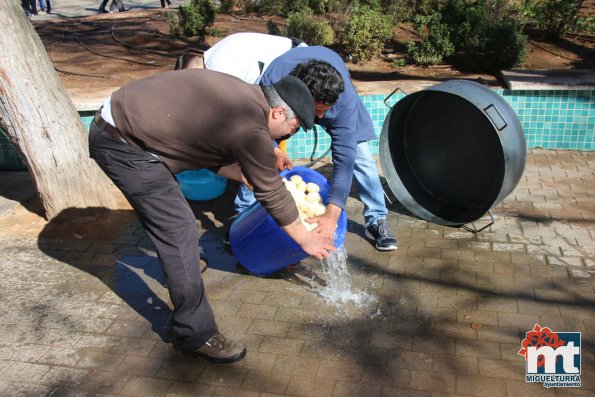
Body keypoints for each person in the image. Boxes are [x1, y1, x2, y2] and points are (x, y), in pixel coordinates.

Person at [88, 69, 333, 363]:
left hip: (124, 124)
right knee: (179, 231)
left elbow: (206, 147)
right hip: (124, 146)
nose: (287, 137)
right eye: (292, 129)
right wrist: (305, 239)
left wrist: (245, 175)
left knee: (176, 236)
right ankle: (195, 334)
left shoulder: (245, 97)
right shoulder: (249, 127)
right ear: (279, 112)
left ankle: (179, 273)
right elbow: (271, 193)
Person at [203, 34, 398, 251]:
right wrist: (274, 149)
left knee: (360, 156)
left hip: (337, 104)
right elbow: (257, 129)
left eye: (325, 111)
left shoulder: (344, 102)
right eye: (317, 112)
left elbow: (344, 158)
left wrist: (333, 214)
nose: (321, 119)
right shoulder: (275, 81)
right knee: (258, 156)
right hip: (286, 99)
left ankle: (376, 219)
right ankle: (243, 219)